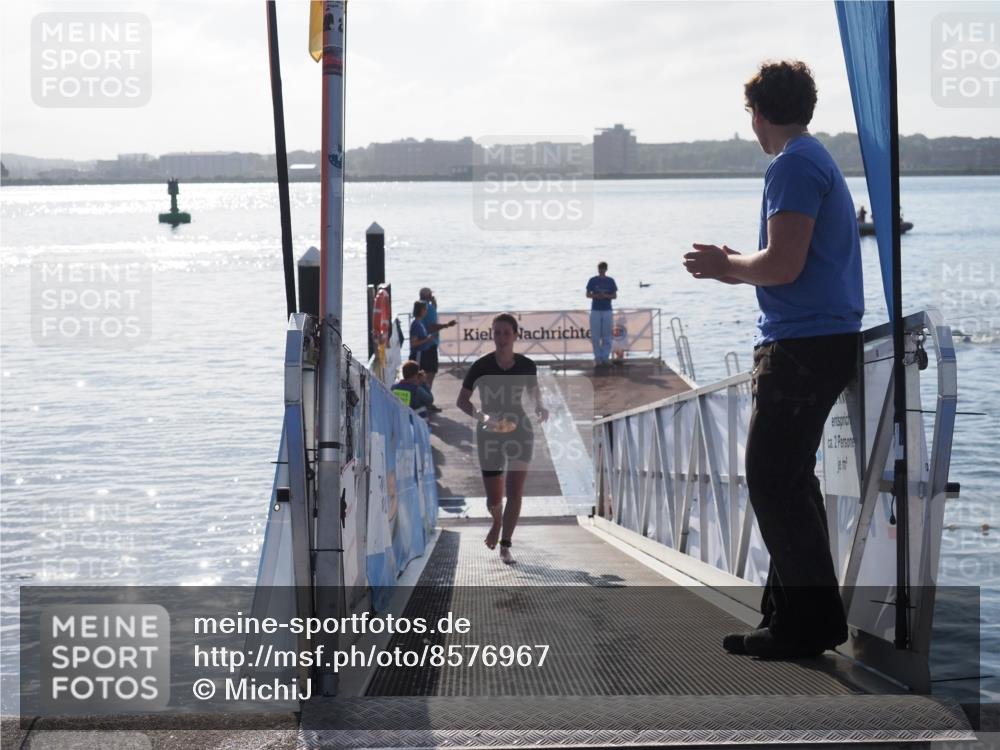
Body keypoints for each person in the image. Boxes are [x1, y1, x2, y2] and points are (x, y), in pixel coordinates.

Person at [682, 60, 863, 659]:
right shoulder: (813, 159)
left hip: (802, 347)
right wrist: (739, 266)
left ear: (758, 114)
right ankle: (788, 619)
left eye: (750, 115)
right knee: (788, 480)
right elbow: (790, 263)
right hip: (819, 340)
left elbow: (783, 266)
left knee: (772, 480)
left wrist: (724, 266)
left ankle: (809, 624)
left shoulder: (792, 165)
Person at [455, 313, 549, 565]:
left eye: (506, 332)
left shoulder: (527, 365)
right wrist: (482, 417)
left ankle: (505, 545)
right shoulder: (481, 366)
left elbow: (534, 392)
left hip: (520, 429)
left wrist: (540, 406)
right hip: (489, 431)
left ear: (516, 335)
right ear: (492, 335)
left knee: (515, 490)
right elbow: (461, 401)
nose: (501, 337)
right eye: (497, 332)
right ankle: (497, 522)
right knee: (494, 498)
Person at [418, 287, 457, 404]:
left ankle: (425, 399)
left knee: (426, 373)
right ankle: (426, 400)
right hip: (429, 344)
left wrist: (434, 303)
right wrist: (446, 325)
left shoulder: (421, 306)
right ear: (429, 296)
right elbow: (431, 326)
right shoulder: (428, 308)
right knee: (429, 373)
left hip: (424, 345)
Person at [586, 262, 617, 366]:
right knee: (595, 336)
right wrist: (596, 296)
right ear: (598, 269)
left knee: (607, 336)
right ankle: (597, 358)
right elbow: (587, 294)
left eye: (603, 268)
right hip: (595, 310)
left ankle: (605, 357)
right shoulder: (593, 280)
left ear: (606, 269)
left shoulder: (610, 280)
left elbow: (614, 295)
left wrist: (606, 296)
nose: (601, 270)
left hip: (607, 310)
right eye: (600, 268)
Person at [409, 301, 435, 369]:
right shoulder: (416, 324)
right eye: (425, 309)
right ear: (421, 310)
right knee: (417, 372)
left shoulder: (420, 323)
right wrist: (427, 339)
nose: (426, 311)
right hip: (418, 354)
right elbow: (413, 343)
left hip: (423, 354)